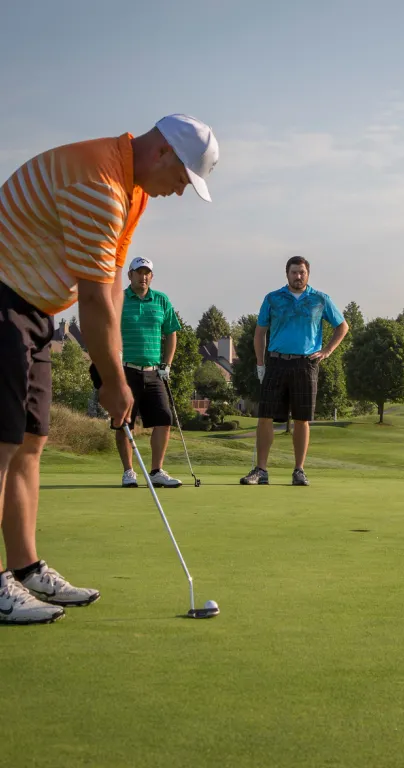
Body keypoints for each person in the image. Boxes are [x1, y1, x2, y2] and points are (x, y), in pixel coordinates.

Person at [0, 113, 218, 624]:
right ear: (163, 152)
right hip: (3, 300)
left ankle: (26, 566)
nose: (181, 192)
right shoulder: (100, 184)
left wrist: (113, 370)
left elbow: (112, 288)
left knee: (31, 441)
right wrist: (116, 382)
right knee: (2, 443)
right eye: (184, 179)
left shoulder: (132, 189)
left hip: (33, 311)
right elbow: (94, 302)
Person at [241, 256, 348, 487]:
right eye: (294, 273)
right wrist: (260, 363)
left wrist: (327, 350)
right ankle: (261, 470)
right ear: (286, 274)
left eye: (302, 272)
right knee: (265, 416)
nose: (298, 276)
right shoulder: (273, 298)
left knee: (302, 418)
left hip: (306, 364)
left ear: (308, 274)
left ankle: (299, 470)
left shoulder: (320, 299)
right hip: (276, 362)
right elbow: (260, 333)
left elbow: (342, 326)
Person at [115, 256, 183, 489]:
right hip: (127, 371)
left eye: (147, 273)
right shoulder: (120, 299)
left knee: (164, 419)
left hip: (155, 372)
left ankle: (156, 471)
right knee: (124, 423)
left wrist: (167, 364)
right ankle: (129, 472)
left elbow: (171, 332)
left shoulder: (161, 300)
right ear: (130, 275)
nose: (143, 277)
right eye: (139, 272)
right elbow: (108, 330)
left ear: (151, 276)